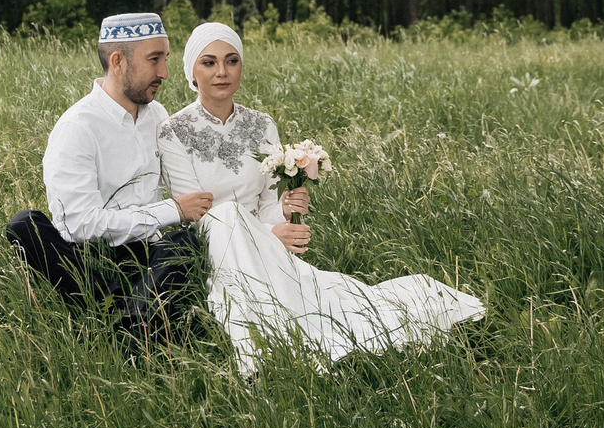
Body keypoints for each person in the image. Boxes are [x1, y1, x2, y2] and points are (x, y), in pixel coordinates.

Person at [160, 19, 486, 373]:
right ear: (192, 71)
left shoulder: (261, 124)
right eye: (209, 63)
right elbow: (195, 213)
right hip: (215, 242)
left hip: (261, 237)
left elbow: (268, 202)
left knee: (329, 293)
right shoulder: (173, 131)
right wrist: (268, 235)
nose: (222, 72)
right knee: (226, 216)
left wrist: (284, 216)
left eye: (232, 60)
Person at [6, 12, 214, 356]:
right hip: (92, 260)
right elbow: (79, 225)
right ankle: (137, 321)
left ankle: (130, 328)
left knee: (182, 243)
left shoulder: (158, 116)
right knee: (24, 225)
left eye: (165, 58)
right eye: (154, 60)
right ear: (118, 62)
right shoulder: (78, 127)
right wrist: (172, 210)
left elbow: (191, 181)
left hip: (150, 256)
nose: (164, 72)